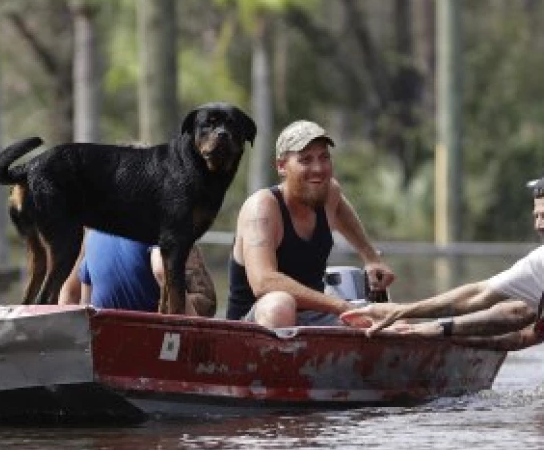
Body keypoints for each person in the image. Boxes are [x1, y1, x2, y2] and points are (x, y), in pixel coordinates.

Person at [226, 119, 395, 327]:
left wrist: (371, 257)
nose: (318, 168)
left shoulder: (329, 192)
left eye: (324, 158)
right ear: (281, 166)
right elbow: (264, 282)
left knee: (391, 320)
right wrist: (340, 306)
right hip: (255, 324)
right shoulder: (262, 207)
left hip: (313, 317)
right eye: (305, 160)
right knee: (280, 304)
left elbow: (343, 213)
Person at [341, 176, 544, 347]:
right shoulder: (540, 263)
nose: (539, 225)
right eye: (537, 216)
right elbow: (514, 312)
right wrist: (427, 328)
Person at [59, 230, 217, 317]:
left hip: (104, 340)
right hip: (146, 339)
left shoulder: (94, 231)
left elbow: (81, 299)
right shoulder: (155, 219)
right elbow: (161, 270)